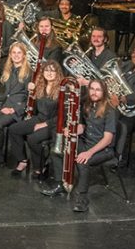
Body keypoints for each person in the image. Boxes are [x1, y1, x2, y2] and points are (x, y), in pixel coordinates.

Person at [41, 79, 117, 212]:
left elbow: (107, 139)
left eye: (98, 90)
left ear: (104, 92)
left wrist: (89, 153)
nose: (94, 92)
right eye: (92, 89)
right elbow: (82, 127)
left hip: (103, 149)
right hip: (86, 142)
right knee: (57, 150)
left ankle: (82, 198)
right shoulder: (87, 105)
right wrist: (72, 130)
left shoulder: (110, 110)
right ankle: (61, 184)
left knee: (82, 162)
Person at [7, 61, 64, 178]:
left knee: (33, 139)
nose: (49, 73)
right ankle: (22, 160)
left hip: (54, 124)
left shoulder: (63, 90)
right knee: (13, 129)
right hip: (39, 118)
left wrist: (45, 124)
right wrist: (31, 92)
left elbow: (63, 116)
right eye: (46, 70)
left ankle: (40, 166)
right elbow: (34, 109)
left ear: (58, 73)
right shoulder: (40, 87)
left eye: (52, 70)